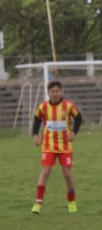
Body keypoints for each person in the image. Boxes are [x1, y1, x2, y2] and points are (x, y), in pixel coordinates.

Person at [31, 81, 83, 214]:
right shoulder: (42, 107)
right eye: (52, 91)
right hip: (48, 145)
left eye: (57, 91)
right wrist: (35, 135)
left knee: (67, 174)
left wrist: (73, 133)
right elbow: (36, 120)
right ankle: (38, 203)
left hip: (65, 145)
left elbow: (79, 118)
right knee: (45, 172)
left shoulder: (68, 106)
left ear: (61, 92)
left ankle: (71, 202)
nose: (55, 93)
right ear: (48, 93)